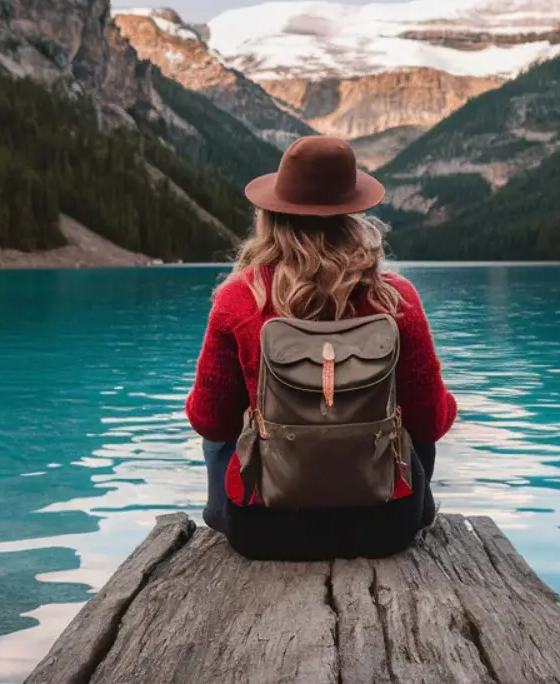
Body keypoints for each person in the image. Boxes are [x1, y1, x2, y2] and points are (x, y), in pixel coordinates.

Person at [185, 135, 458, 561]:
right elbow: (430, 425)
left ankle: (224, 509)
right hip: (385, 527)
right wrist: (442, 403)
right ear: (353, 213)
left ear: (271, 214)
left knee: (226, 428)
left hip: (263, 531)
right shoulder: (396, 299)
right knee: (411, 422)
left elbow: (209, 421)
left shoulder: (239, 298)